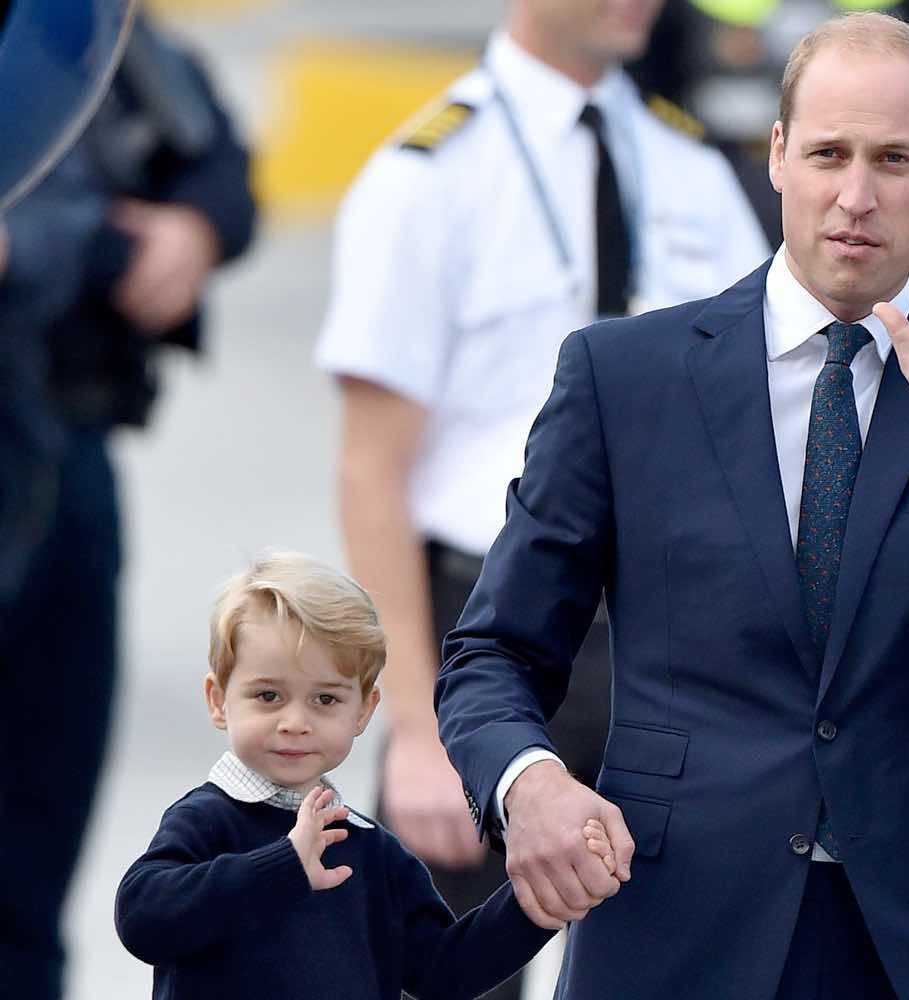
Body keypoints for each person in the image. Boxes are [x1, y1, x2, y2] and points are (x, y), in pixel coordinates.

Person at [434, 12, 909, 998]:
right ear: (779, 154)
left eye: (893, 159)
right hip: (672, 929)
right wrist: (526, 781)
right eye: (828, 153)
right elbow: (494, 652)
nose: (857, 195)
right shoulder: (624, 378)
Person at [314, 2, 767, 992]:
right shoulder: (426, 176)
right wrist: (421, 731)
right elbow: (371, 467)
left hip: (672, 638)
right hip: (486, 632)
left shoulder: (693, 169)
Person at [0, 13, 256, 996]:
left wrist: (195, 227)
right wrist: (94, 251)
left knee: (33, 845)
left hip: (66, 454)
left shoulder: (70, 28)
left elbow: (215, 158)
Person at [111, 553, 620, 999]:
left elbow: (444, 970)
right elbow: (143, 918)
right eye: (268, 695)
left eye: (326, 699)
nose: (295, 721)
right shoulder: (206, 820)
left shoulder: (371, 849)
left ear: (363, 711)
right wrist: (284, 865)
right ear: (219, 700)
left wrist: (537, 903)